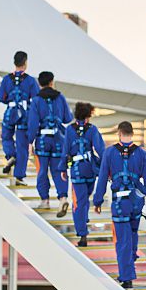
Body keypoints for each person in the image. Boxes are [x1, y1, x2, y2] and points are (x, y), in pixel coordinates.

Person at [92, 121, 146, 288]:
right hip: (136, 202)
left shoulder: (109, 153)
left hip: (120, 203)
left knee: (122, 240)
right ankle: (130, 261)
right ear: (132, 134)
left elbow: (102, 178)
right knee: (132, 233)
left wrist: (98, 200)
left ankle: (126, 277)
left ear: (119, 133)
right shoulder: (142, 154)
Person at [59, 102, 105, 247]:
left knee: (79, 202)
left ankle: (82, 233)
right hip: (90, 169)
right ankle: (83, 220)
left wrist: (62, 168)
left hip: (77, 170)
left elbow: (65, 149)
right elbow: (101, 149)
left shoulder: (69, 130)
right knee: (85, 198)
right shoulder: (92, 129)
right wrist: (107, 167)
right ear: (88, 116)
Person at [27, 71, 73, 215]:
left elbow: (33, 123)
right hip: (59, 139)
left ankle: (45, 200)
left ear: (39, 84)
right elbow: (68, 118)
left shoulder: (36, 100)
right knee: (59, 170)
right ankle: (63, 197)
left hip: (42, 140)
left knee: (42, 170)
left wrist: (30, 141)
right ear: (52, 82)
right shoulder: (60, 98)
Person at [0, 51, 40, 185]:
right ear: (25, 63)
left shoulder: (6, 79)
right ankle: (19, 176)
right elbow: (36, 99)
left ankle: (11, 155)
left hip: (10, 112)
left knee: (6, 136)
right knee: (22, 144)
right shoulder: (30, 80)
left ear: (14, 62)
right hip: (24, 114)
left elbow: (0, 97)